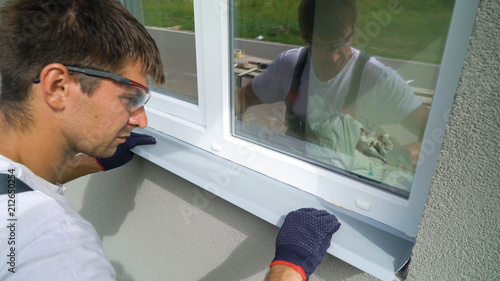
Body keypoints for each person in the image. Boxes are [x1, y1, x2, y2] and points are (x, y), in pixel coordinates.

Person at [0, 0, 340, 280]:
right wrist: (287, 271)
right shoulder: (59, 250)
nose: (141, 119)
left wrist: (79, 166)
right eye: (130, 98)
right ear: (59, 87)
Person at [236, 0, 429, 170]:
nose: (334, 57)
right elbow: (241, 98)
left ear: (352, 30)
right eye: (323, 47)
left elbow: (432, 131)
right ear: (305, 37)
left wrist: (405, 155)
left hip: (352, 184)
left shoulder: (377, 79)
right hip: (296, 170)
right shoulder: (291, 66)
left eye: (342, 43)